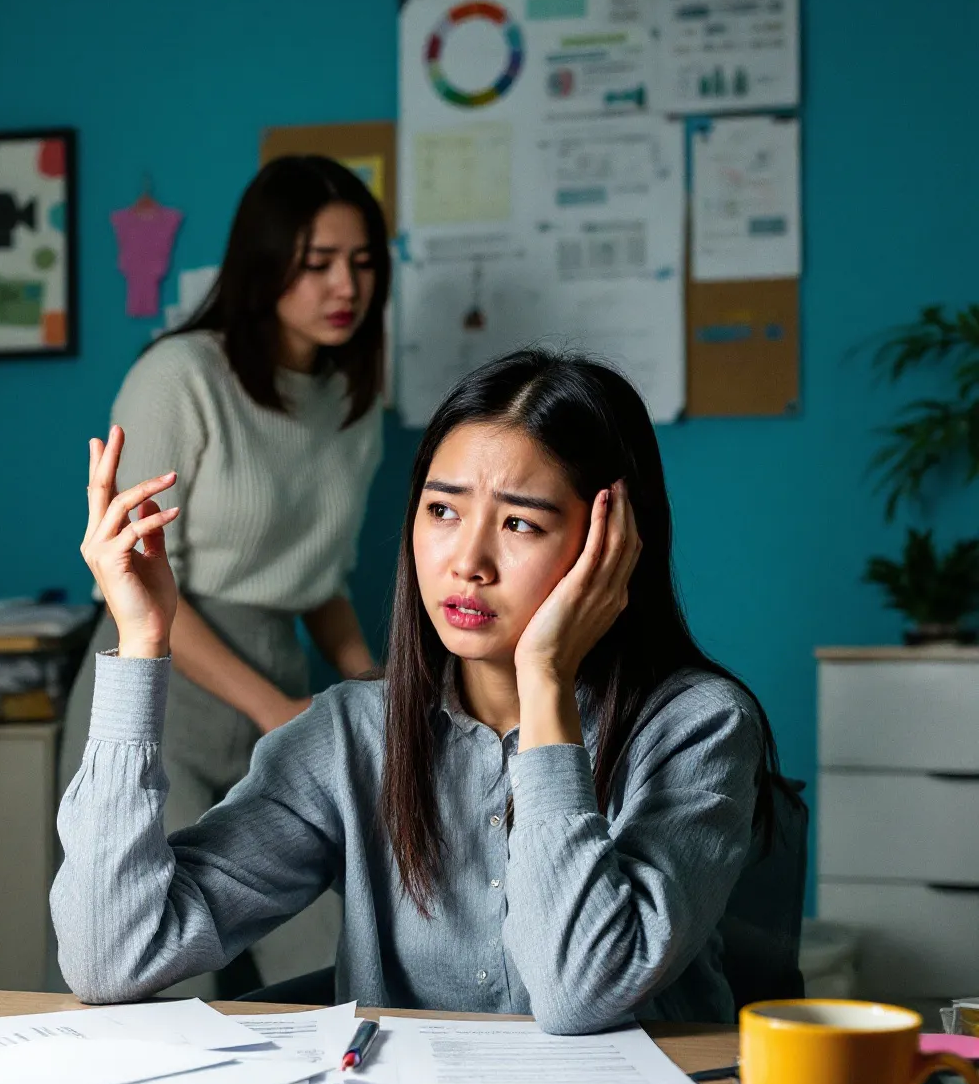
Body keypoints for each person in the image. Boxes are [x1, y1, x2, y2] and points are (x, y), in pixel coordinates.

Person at [53, 349, 790, 1032]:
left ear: (614, 546)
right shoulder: (352, 735)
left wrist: (545, 685)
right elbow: (112, 959)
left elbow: (578, 993)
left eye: (519, 523)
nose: (468, 560)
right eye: (443, 510)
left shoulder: (700, 727)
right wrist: (143, 641)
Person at [58, 156, 390, 995]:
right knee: (151, 977)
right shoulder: (182, 375)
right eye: (316, 263)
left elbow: (316, 577)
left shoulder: (352, 397)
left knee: (331, 963)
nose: (343, 284)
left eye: (361, 262)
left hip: (275, 683)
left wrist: (377, 690)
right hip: (160, 677)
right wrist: (278, 712)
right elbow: (129, 577)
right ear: (263, 263)